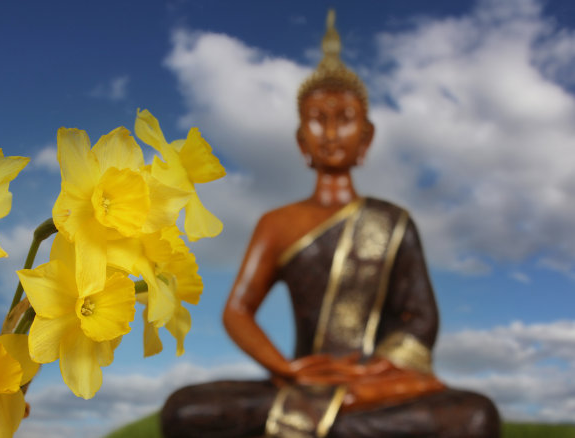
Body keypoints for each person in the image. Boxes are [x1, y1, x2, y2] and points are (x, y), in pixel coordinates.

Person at [161, 10, 500, 438]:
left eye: (345, 118)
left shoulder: (392, 222)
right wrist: (286, 368)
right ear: (301, 140)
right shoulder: (277, 222)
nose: (332, 131)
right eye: (318, 118)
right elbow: (237, 311)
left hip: (374, 383)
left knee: (475, 417)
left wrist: (375, 374)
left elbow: (420, 321)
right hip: (302, 379)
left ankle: (332, 417)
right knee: (184, 410)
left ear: (367, 136)